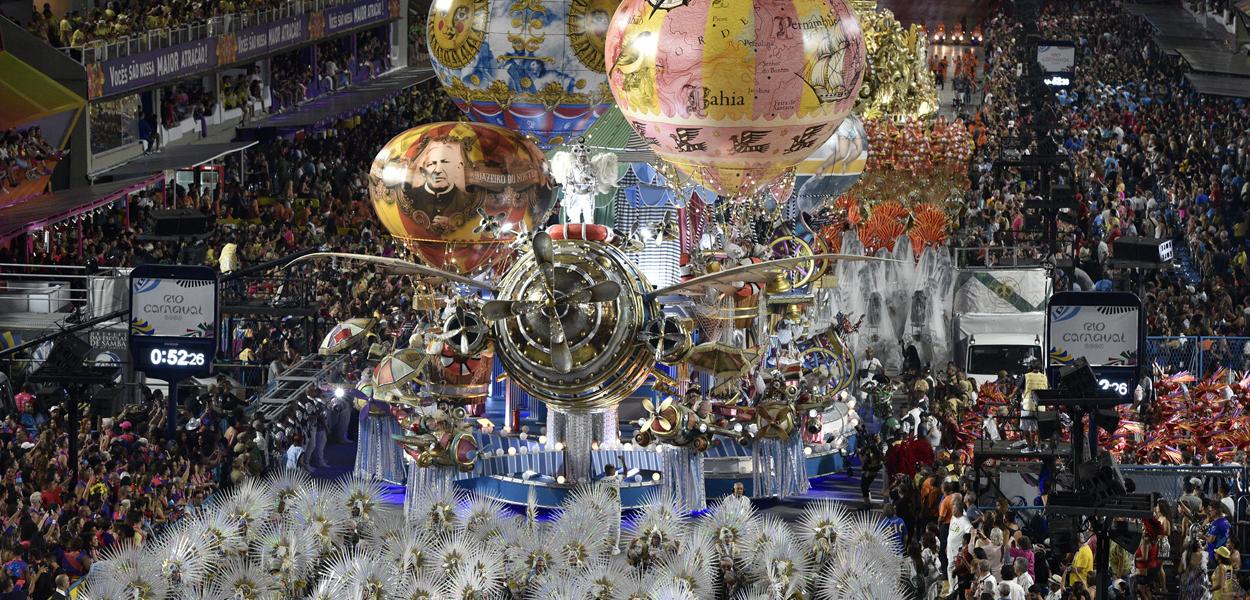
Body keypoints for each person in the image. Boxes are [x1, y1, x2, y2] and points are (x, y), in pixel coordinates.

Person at [393, 137, 481, 234]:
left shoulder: (467, 202)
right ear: (423, 171)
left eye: (445, 162)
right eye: (431, 164)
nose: (438, 170)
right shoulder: (408, 198)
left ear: (458, 167)